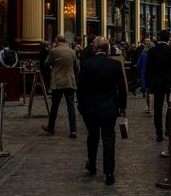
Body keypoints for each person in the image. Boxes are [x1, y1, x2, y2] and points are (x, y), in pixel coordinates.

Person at [77, 36, 127, 185]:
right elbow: (121, 88)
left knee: (92, 136)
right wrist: (122, 106)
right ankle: (109, 172)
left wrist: (81, 106)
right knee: (108, 138)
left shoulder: (86, 64)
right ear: (107, 49)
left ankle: (92, 164)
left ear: (95, 48)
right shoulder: (115, 65)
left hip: (91, 108)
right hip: (109, 107)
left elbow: (81, 89)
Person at [145, 29, 171, 142]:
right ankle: (168, 128)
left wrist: (148, 84)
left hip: (157, 82)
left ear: (159, 38)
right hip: (169, 82)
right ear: (168, 38)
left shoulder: (152, 51)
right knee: (170, 106)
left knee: (158, 107)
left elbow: (148, 69)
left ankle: (159, 132)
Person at [42, 34, 79, 138]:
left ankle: (51, 126)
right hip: (69, 82)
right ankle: (73, 130)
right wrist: (73, 76)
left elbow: (46, 63)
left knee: (55, 106)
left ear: (57, 41)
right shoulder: (72, 51)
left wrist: (51, 52)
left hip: (58, 82)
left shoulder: (54, 51)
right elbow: (77, 67)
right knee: (71, 106)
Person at [136, 41, 154, 113]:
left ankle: (148, 106)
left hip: (144, 74)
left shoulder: (143, 54)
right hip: (152, 74)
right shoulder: (153, 54)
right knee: (152, 92)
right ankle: (151, 108)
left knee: (147, 91)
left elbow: (138, 64)